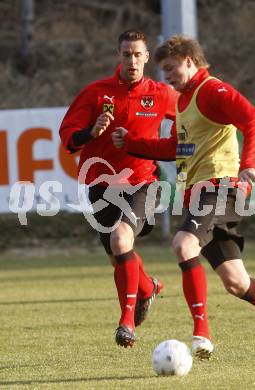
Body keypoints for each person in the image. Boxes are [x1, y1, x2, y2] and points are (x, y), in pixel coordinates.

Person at [112, 35, 255, 362]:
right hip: (200, 193)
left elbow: (253, 120)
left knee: (183, 244)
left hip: (220, 187)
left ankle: (202, 333)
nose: (165, 76)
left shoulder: (211, 90)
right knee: (237, 283)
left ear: (189, 60)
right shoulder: (183, 101)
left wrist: (249, 166)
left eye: (170, 68)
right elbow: (176, 148)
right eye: (163, 71)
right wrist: (131, 143)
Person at [59, 29, 178, 348]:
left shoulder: (161, 93)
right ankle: (148, 287)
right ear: (119, 56)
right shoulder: (96, 93)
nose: (132, 60)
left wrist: (185, 148)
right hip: (101, 184)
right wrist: (90, 131)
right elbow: (68, 135)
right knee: (117, 256)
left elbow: (192, 117)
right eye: (126, 54)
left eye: (138, 54)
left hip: (143, 182)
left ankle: (126, 323)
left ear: (147, 57)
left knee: (121, 239)